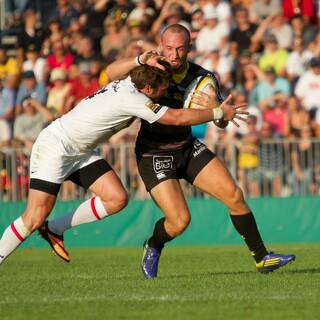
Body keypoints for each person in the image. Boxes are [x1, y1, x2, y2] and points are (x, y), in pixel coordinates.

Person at [0, 63, 244, 265]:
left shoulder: (128, 81)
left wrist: (140, 57)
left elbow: (112, 69)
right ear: (147, 88)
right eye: (161, 90)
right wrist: (218, 113)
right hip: (56, 147)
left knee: (116, 198)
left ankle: (54, 229)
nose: (164, 94)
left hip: (80, 150)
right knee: (33, 216)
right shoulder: (135, 100)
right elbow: (177, 117)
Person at [106, 24, 295, 277]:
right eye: (169, 48)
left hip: (186, 146)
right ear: (161, 46)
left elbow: (221, 121)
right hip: (155, 153)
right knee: (180, 221)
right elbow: (109, 72)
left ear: (189, 49)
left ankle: (262, 258)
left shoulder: (203, 78)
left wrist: (218, 110)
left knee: (234, 195)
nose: (174, 55)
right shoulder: (149, 70)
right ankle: (154, 244)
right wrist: (139, 58)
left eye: (180, 49)